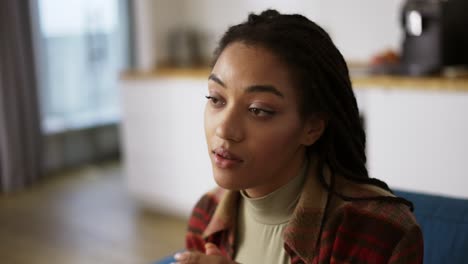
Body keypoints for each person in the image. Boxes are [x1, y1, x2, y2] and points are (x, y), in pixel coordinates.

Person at [173, 9, 423, 264]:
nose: (224, 130)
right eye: (216, 99)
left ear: (312, 127)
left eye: (258, 110)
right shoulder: (207, 212)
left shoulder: (381, 231)